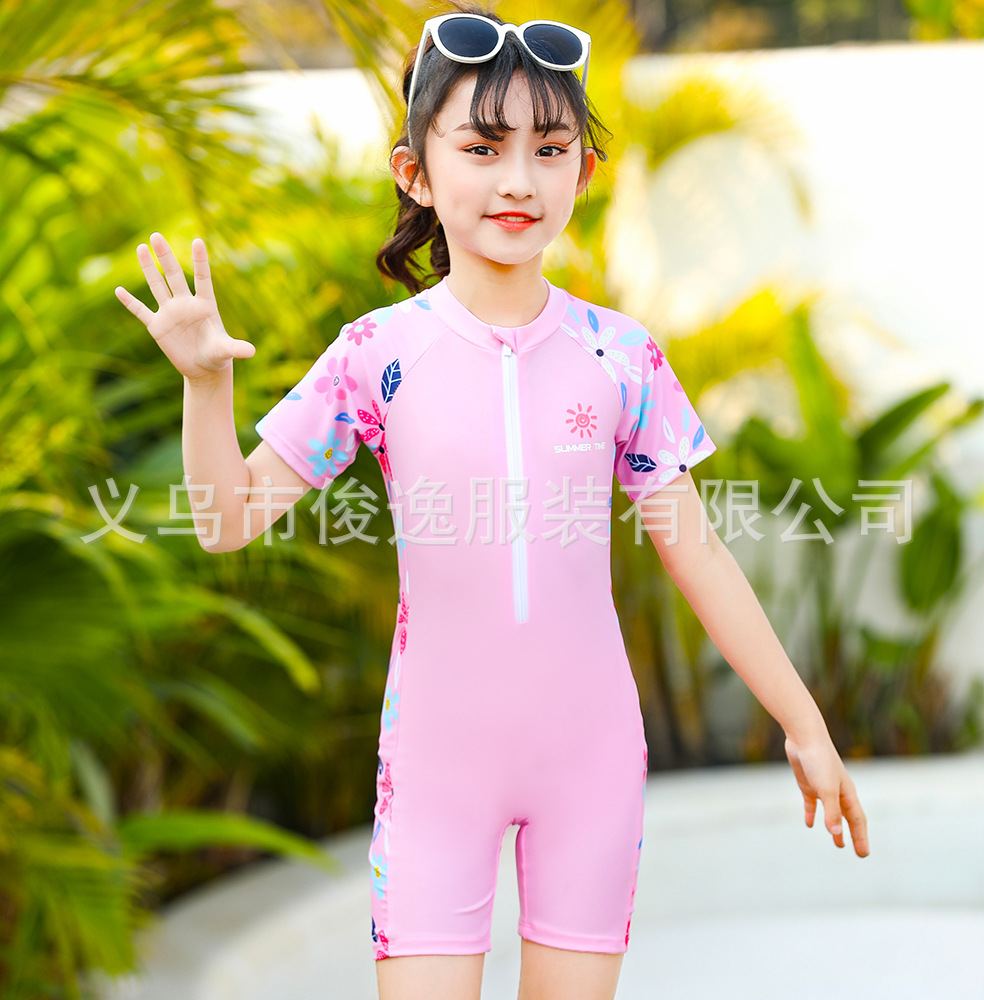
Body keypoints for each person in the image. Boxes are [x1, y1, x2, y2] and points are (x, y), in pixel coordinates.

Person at [114, 4, 870, 999]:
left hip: (590, 763)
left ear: (582, 174)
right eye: (481, 147)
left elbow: (700, 554)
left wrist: (803, 721)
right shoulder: (376, 355)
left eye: (549, 150)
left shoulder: (621, 355)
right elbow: (226, 520)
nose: (518, 179)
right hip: (435, 770)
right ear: (415, 173)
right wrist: (206, 386)